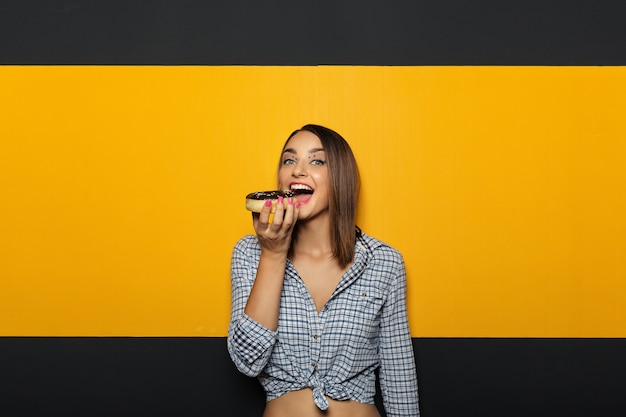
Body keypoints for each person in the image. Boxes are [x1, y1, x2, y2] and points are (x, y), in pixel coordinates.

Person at [228, 124, 420, 417]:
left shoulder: (384, 262)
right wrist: (273, 253)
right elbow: (248, 360)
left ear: (340, 177)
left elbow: (399, 376)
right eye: (289, 160)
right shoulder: (250, 254)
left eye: (316, 161)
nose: (297, 171)